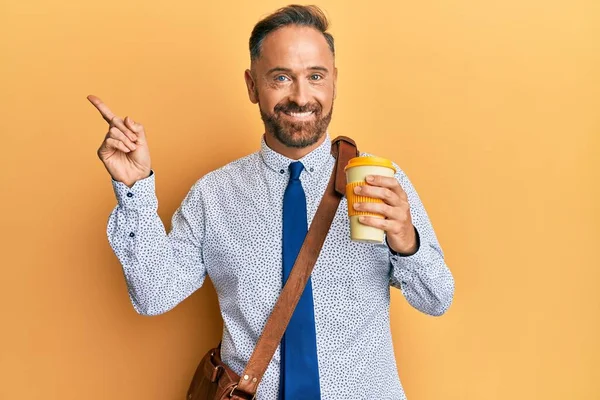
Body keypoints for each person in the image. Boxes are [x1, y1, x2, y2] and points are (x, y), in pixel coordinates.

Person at [89, 5, 454, 400]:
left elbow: (437, 299)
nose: (301, 96)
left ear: (334, 82)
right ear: (252, 86)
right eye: (281, 77)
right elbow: (152, 294)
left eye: (316, 76)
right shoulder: (214, 196)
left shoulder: (381, 183)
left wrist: (406, 239)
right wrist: (135, 190)